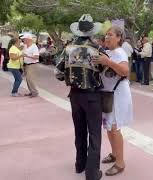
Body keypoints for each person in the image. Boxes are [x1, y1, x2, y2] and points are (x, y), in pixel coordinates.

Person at [54, 14, 104, 180]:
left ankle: (79, 165)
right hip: (92, 96)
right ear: (91, 31)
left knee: (79, 132)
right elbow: (109, 71)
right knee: (95, 134)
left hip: (74, 96)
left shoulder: (68, 48)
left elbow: (58, 73)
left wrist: (71, 76)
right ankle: (92, 173)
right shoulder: (97, 49)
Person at [93, 25, 133, 176]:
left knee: (115, 129)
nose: (107, 37)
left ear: (119, 37)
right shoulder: (108, 52)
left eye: (110, 34)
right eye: (106, 35)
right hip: (108, 94)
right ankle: (115, 154)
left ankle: (120, 163)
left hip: (117, 95)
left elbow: (124, 71)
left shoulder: (120, 52)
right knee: (109, 127)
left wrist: (107, 62)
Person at [21, 33, 40, 98]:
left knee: (30, 78)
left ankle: (35, 92)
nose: (23, 40)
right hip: (26, 64)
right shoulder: (25, 46)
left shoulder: (34, 47)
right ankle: (31, 91)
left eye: (24, 39)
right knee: (27, 79)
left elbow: (36, 57)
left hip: (32, 65)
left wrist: (27, 56)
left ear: (28, 39)